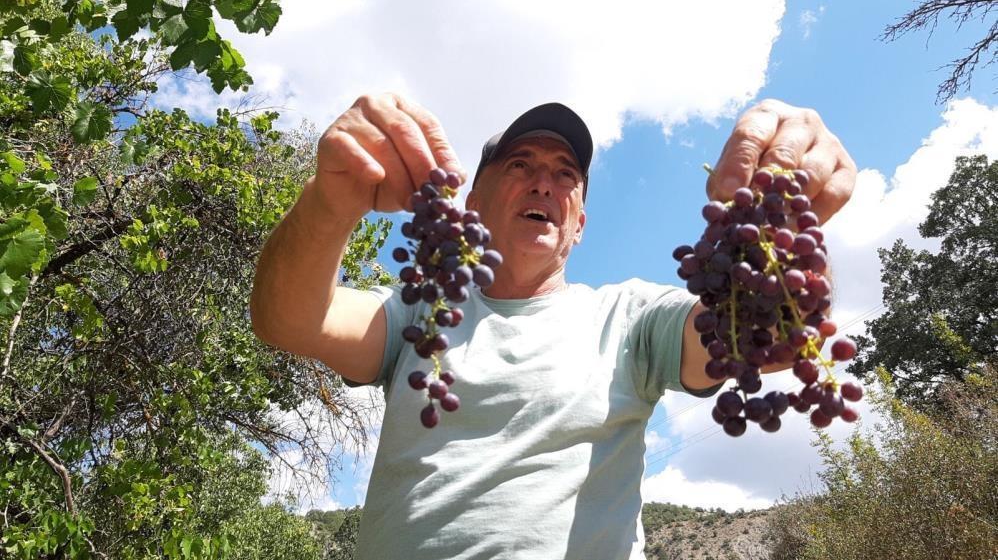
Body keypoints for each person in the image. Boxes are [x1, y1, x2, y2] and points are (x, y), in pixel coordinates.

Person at [249, 94, 857, 559]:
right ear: (471, 205)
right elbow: (289, 319)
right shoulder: (420, 314)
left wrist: (787, 228)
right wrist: (331, 201)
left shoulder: (629, 318)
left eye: (567, 174)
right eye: (520, 164)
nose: (545, 181)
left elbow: (770, 336)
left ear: (580, 223)